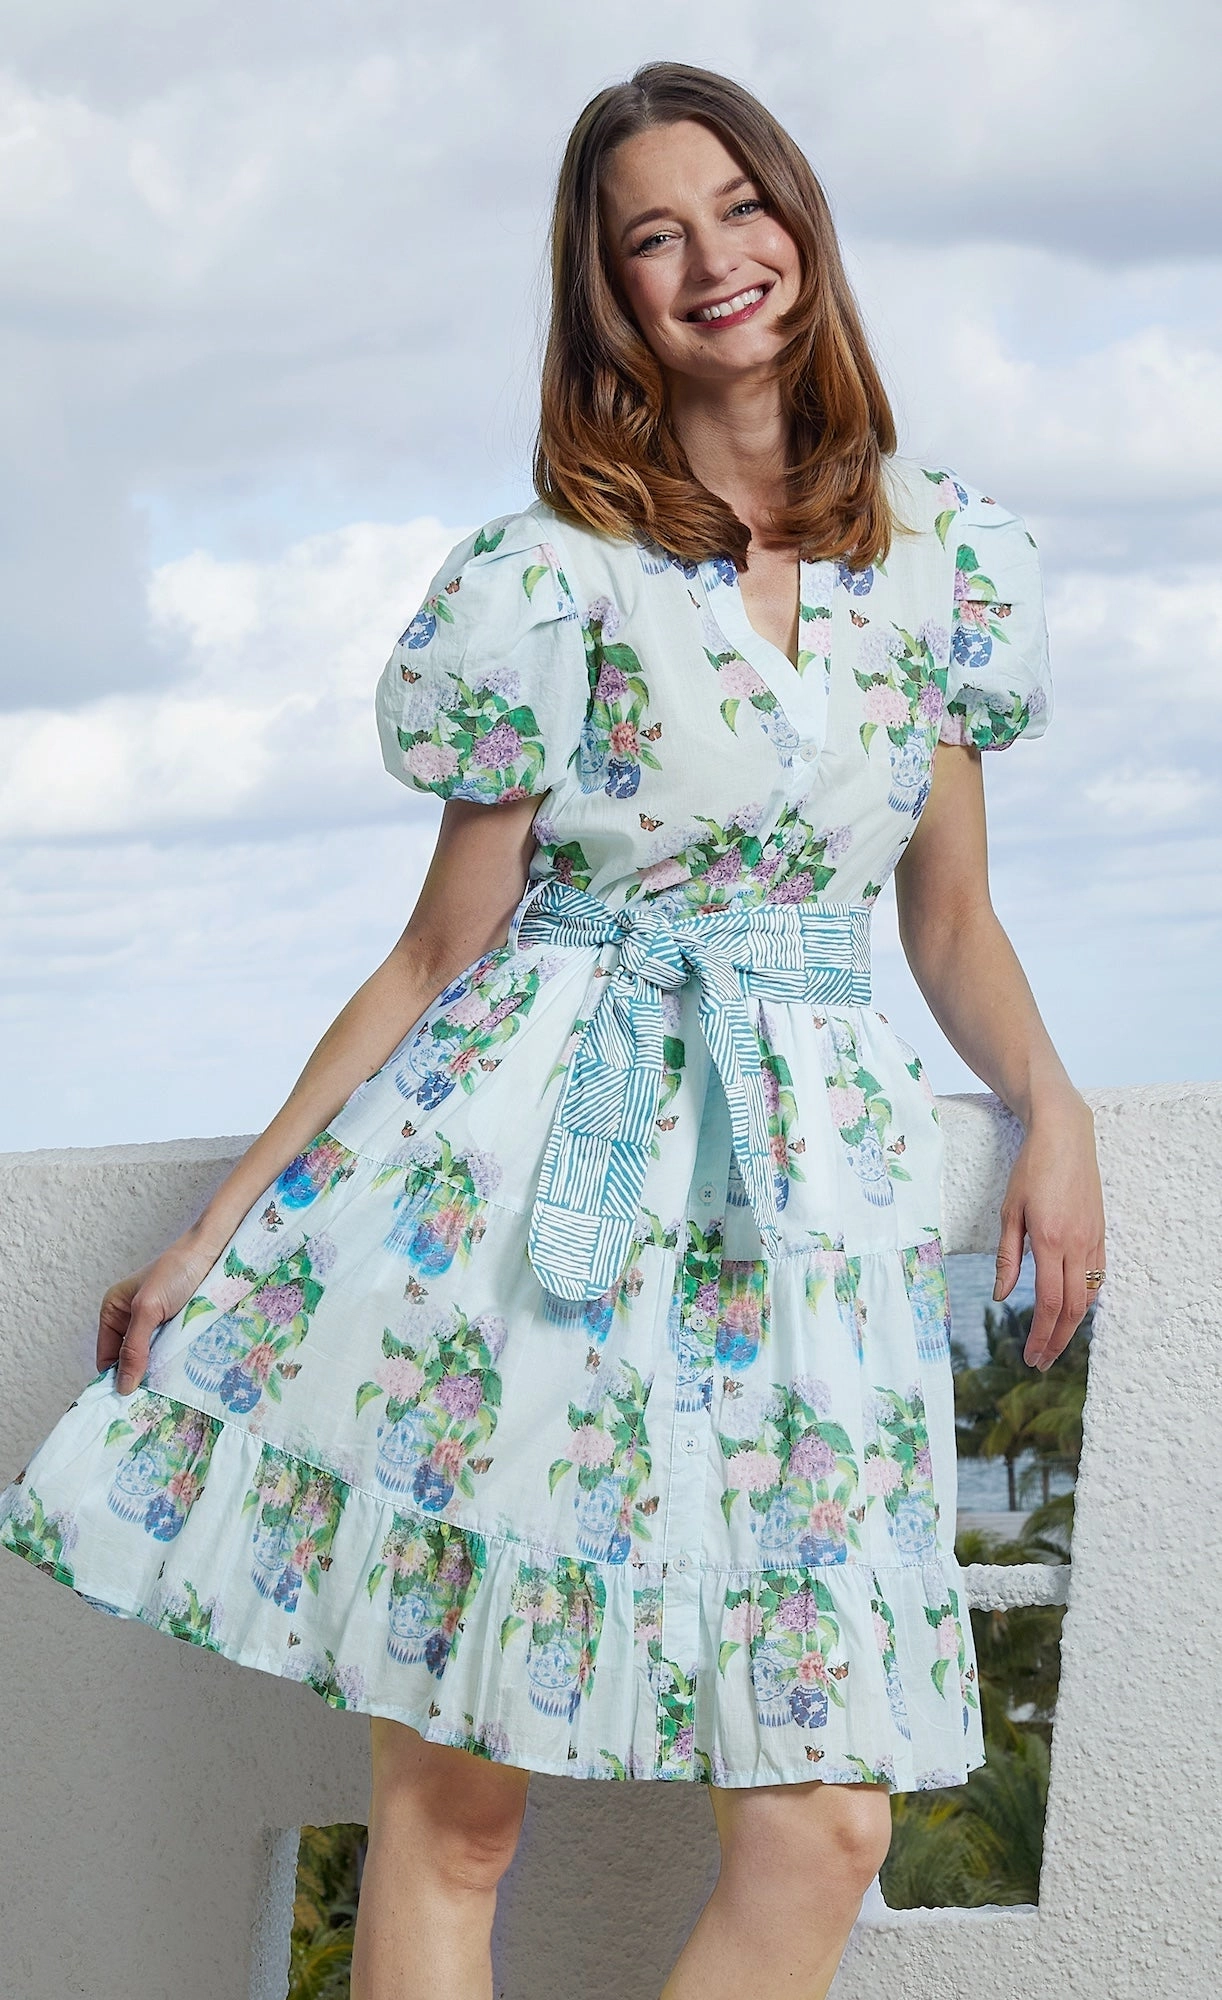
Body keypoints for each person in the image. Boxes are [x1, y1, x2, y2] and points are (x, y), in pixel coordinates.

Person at [0, 59, 1105, 2000]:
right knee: (455, 1813)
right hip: (533, 1203)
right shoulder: (550, 572)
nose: (709, 262)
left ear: (802, 223)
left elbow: (946, 915)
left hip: (809, 1231)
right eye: (648, 237)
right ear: (605, 296)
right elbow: (437, 953)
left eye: (737, 208)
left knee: (824, 1820)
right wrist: (222, 1226)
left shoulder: (927, 561)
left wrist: (1050, 1104)